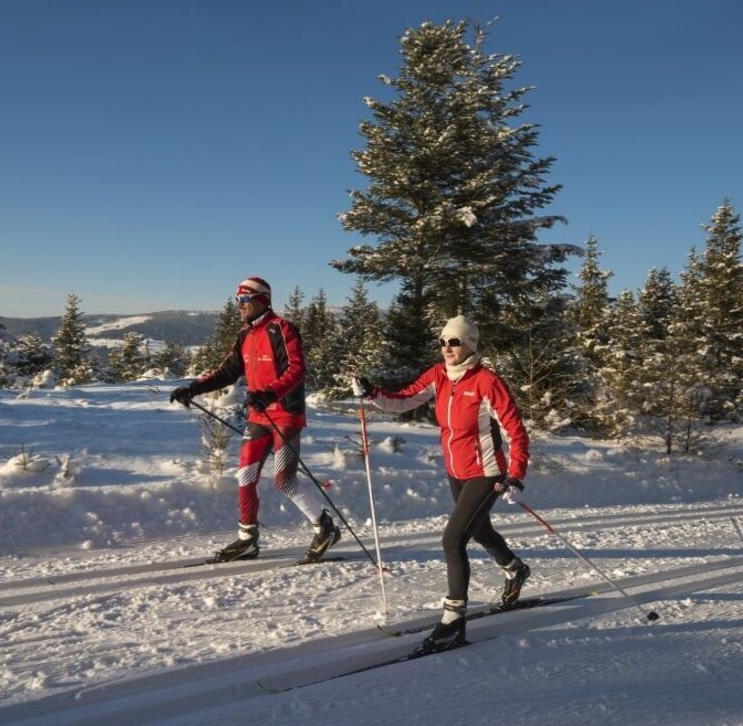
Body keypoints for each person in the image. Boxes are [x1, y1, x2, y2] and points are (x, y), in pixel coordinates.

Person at [352, 314, 530, 654]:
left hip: (486, 471)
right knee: (479, 530)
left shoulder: (487, 381)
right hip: (456, 470)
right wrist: (372, 392)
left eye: (454, 342)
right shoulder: (438, 375)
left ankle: (453, 621)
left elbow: (515, 430)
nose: (447, 348)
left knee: (452, 540)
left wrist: (516, 474)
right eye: (443, 342)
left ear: (470, 345)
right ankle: (515, 568)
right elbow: (403, 400)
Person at [170, 276, 340, 563]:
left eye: (244, 300)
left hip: (286, 415)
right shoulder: (244, 335)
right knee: (245, 477)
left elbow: (296, 370)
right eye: (237, 300)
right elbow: (227, 371)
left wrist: (270, 393)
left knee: (284, 481)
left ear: (262, 300)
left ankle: (325, 528)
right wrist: (193, 388)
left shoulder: (282, 329)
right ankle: (247, 540)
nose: (239, 305)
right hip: (259, 416)